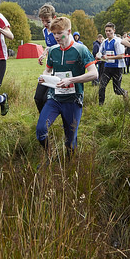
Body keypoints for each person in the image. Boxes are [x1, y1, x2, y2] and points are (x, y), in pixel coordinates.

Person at [36, 17, 97, 166]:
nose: (56, 37)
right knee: (41, 130)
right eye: (54, 33)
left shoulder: (81, 50)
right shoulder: (53, 51)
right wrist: (45, 77)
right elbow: (48, 69)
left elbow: (94, 74)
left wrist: (71, 80)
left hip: (73, 101)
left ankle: (70, 166)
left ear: (69, 31)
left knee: (70, 141)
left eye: (60, 33)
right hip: (54, 99)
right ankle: (50, 156)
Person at [34, 3, 58, 112]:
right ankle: (43, 121)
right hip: (49, 68)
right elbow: (49, 46)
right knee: (38, 98)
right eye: (42, 21)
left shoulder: (60, 31)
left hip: (60, 69)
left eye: (47, 21)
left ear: (54, 18)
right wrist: (43, 54)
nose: (44, 24)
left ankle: (48, 120)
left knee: (46, 98)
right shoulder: (45, 31)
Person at [96, 23, 127, 105]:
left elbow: (122, 56)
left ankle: (125, 93)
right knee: (101, 86)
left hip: (117, 68)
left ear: (114, 31)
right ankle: (100, 105)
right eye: (106, 31)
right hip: (107, 68)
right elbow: (100, 52)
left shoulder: (118, 41)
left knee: (117, 90)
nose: (108, 33)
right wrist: (98, 56)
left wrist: (109, 57)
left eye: (110, 31)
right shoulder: (104, 42)